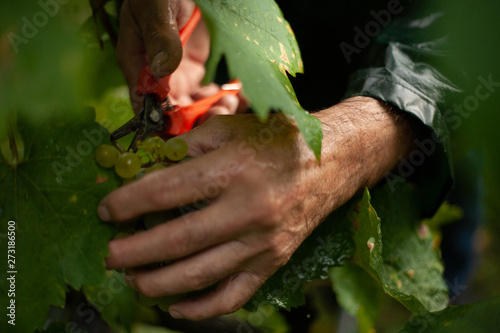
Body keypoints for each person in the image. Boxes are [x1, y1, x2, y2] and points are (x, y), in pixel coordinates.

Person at [98, 0, 456, 320]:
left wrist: (356, 142)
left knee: (450, 260)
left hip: (410, 148)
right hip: (236, 69)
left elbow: (475, 38)